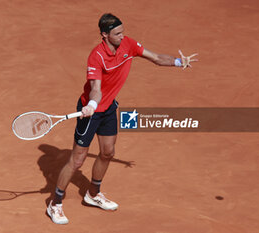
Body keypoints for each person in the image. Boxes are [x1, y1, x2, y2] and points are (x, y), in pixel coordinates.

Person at [46, 13, 198, 224]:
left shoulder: (128, 44)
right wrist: (91, 105)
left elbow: (155, 58)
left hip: (108, 109)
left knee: (108, 152)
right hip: (90, 111)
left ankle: (93, 194)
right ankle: (55, 203)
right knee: (77, 160)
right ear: (105, 35)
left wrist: (178, 61)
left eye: (122, 31)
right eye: (117, 33)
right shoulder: (96, 56)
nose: (122, 36)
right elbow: (95, 89)